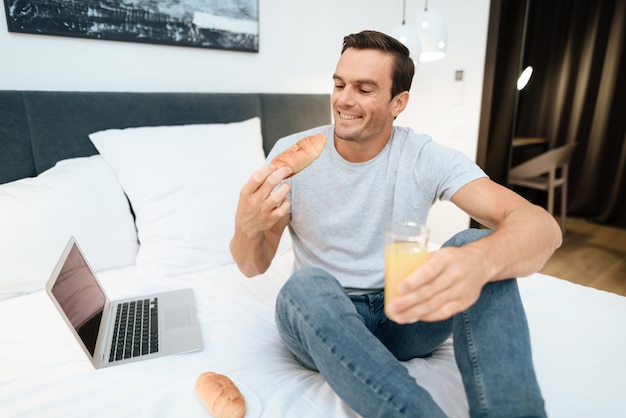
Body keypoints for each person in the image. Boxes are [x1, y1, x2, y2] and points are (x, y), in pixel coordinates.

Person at [230, 30, 562, 418]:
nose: (344, 100)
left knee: (478, 242)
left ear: (398, 102)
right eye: (339, 84)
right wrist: (246, 225)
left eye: (364, 89)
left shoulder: (422, 155)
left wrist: (480, 261)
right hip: (324, 319)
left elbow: (543, 229)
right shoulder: (292, 156)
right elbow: (253, 265)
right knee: (306, 284)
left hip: (405, 315)